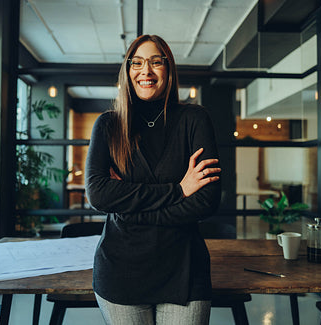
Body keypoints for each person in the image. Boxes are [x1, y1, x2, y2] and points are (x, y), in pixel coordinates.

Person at [85, 34, 221, 325]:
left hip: (185, 270)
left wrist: (127, 208)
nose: (145, 70)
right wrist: (179, 190)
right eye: (137, 62)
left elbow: (207, 201)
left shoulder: (195, 119)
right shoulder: (108, 125)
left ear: (168, 69)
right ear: (127, 70)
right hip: (120, 272)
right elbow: (98, 195)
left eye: (156, 62)